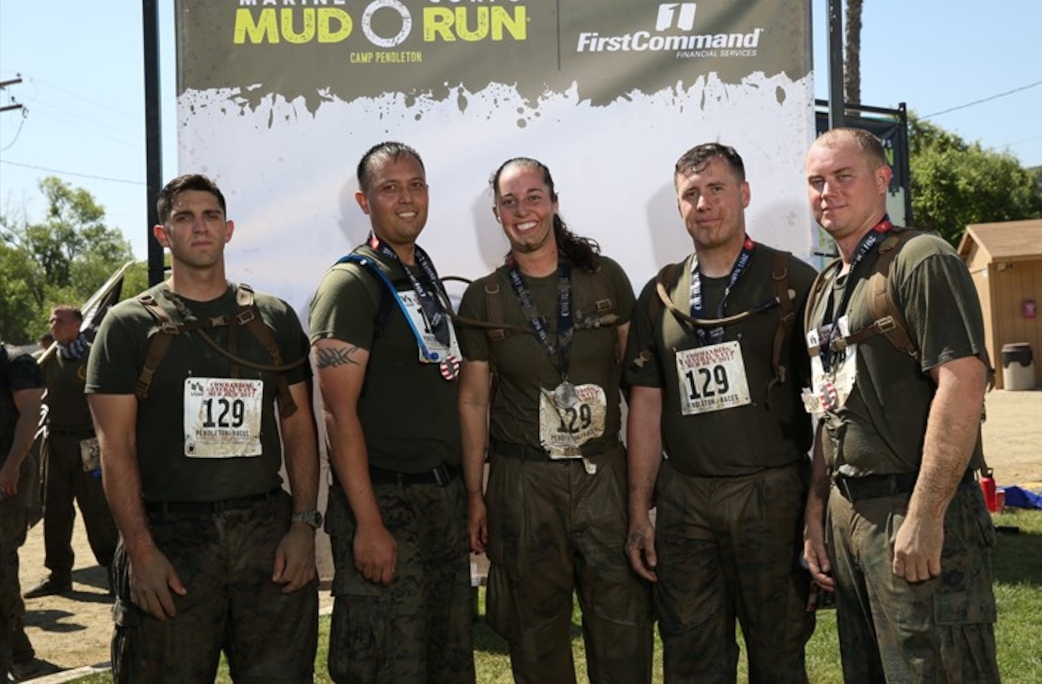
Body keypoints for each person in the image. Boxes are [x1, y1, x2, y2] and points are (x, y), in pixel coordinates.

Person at [85, 173, 321, 683]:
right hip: (171, 540)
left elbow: (300, 426)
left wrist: (304, 525)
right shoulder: (127, 326)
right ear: (162, 234)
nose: (200, 227)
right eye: (184, 217)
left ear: (229, 229)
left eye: (210, 216)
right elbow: (116, 447)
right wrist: (143, 554)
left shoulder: (273, 318)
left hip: (266, 536)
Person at [800, 127, 998, 683]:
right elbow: (827, 407)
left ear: (882, 180)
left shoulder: (922, 259)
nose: (827, 192)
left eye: (844, 176)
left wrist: (926, 516)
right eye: (816, 181)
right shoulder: (827, 285)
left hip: (912, 510)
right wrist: (817, 516)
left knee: (936, 669)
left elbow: (962, 382)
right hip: (850, 516)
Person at [623, 142, 818, 683]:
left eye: (716, 189)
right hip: (685, 501)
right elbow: (644, 407)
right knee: (690, 658)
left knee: (778, 653)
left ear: (744, 194)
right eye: (691, 194)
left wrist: (817, 508)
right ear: (679, 208)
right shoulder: (660, 294)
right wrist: (641, 512)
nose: (704, 204)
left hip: (771, 495)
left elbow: (830, 405)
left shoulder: (793, 282)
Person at [457, 157, 653, 684]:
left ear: (555, 201)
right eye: (509, 202)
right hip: (524, 483)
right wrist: (476, 494)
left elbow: (641, 387)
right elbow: (473, 402)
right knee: (536, 635)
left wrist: (641, 492)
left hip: (602, 476)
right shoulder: (486, 297)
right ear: (497, 214)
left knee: (622, 626)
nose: (523, 210)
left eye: (533, 196)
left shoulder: (605, 278)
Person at [309, 141, 474, 683]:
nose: (406, 199)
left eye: (416, 185)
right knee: (384, 667)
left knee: (444, 663)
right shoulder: (351, 283)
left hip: (439, 504)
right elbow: (338, 415)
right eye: (389, 188)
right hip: (385, 504)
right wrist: (369, 524)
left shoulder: (422, 273)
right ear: (364, 201)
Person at [25, 305, 118, 600]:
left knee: (97, 509)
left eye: (60, 320)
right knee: (55, 509)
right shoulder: (48, 358)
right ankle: (59, 575)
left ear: (77, 324)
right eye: (51, 319)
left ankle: (115, 574)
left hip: (87, 442)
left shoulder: (93, 355)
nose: (54, 324)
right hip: (56, 442)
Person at [0, 343, 44, 680]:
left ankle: (11, 654)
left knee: (2, 562)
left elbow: (30, 415)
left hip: (7, 476)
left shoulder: (18, 362)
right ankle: (18, 646)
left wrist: (12, 464)